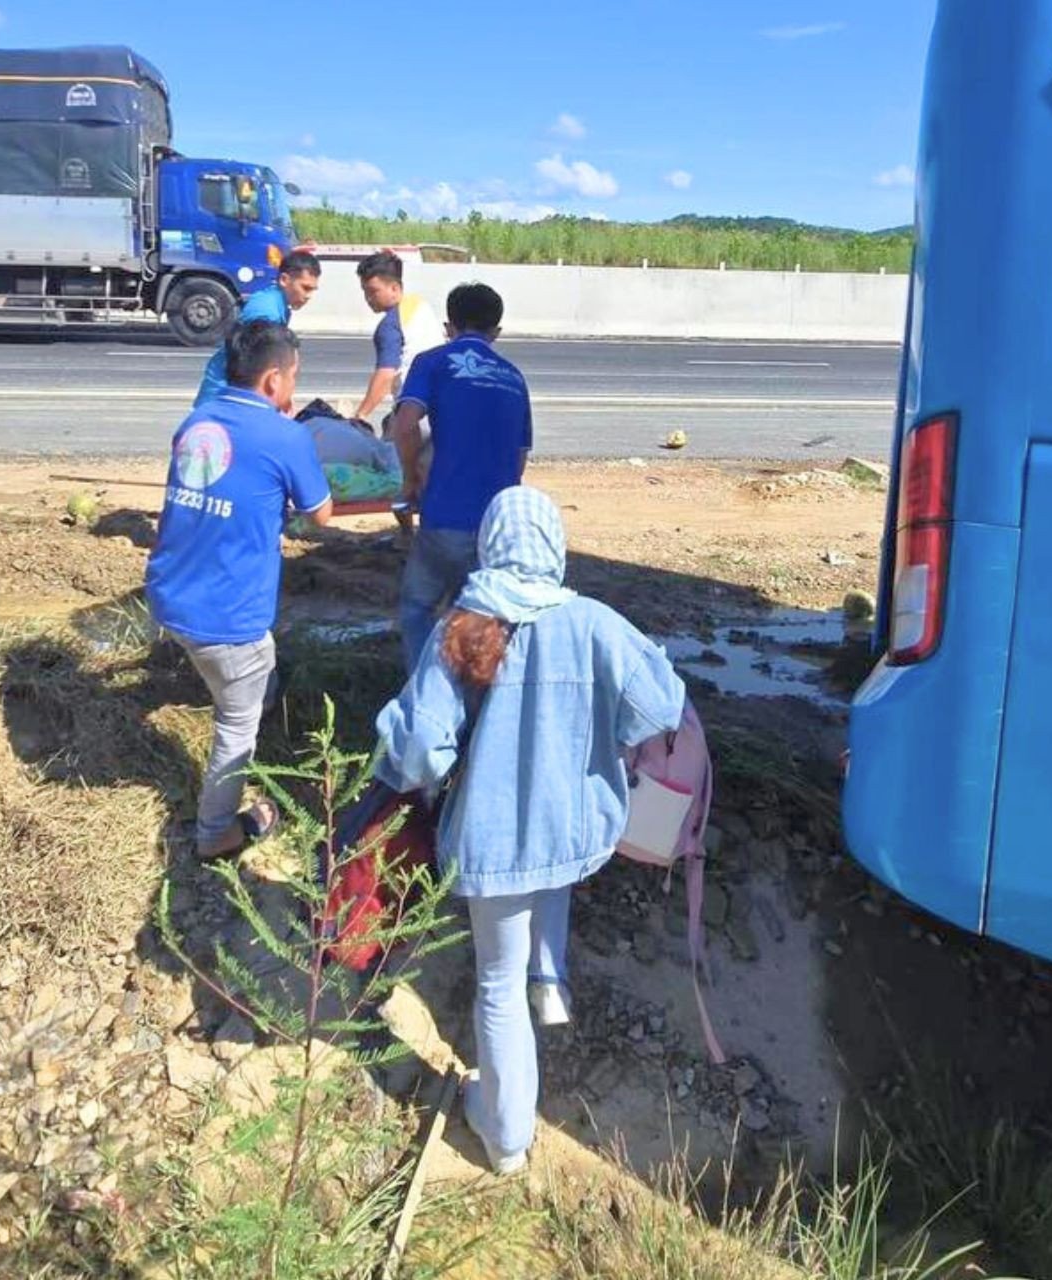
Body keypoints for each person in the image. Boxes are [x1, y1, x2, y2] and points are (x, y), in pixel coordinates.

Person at [372, 487, 687, 1175]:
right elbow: (662, 704)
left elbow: (422, 748)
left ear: (490, 544)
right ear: (554, 546)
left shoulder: (463, 625)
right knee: (549, 878)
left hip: (493, 842)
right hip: (572, 829)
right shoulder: (598, 623)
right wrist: (611, 732)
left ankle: (506, 1135)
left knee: (494, 981)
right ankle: (553, 985)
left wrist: (391, 753)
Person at [147, 321, 333, 860]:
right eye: (294, 377)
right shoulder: (285, 434)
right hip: (227, 617)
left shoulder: (197, 420)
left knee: (249, 680)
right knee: (236, 724)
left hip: (170, 592)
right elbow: (319, 513)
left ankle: (256, 694)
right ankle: (216, 834)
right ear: (274, 379)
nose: (294, 387)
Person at [391, 281, 532, 669]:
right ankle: (478, 699)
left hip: (447, 515)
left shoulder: (433, 362)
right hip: (497, 526)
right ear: (496, 332)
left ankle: (424, 689)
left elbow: (404, 427)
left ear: (448, 325)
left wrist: (410, 478)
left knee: (418, 605)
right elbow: (520, 459)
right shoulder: (514, 376)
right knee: (479, 621)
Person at [194, 250, 322, 406]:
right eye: (305, 288)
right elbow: (257, 363)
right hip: (225, 396)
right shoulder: (265, 312)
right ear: (284, 279)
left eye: (312, 290)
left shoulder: (276, 303)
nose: (308, 296)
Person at [353, 249, 443, 422]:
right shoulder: (420, 305)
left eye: (373, 291)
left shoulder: (390, 325)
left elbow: (386, 375)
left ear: (394, 288)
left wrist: (361, 415)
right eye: (364, 291)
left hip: (414, 411)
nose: (368, 298)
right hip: (439, 404)